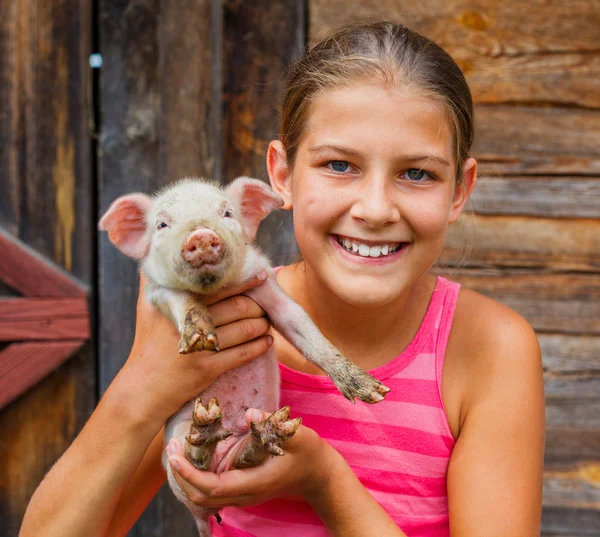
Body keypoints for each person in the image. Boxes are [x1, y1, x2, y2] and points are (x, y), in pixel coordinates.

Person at [20, 22, 545, 537]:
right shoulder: (225, 325)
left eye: (417, 174)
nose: (376, 208)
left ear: (459, 189)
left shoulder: (488, 350)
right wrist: (142, 386)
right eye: (339, 165)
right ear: (281, 176)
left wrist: (324, 481)